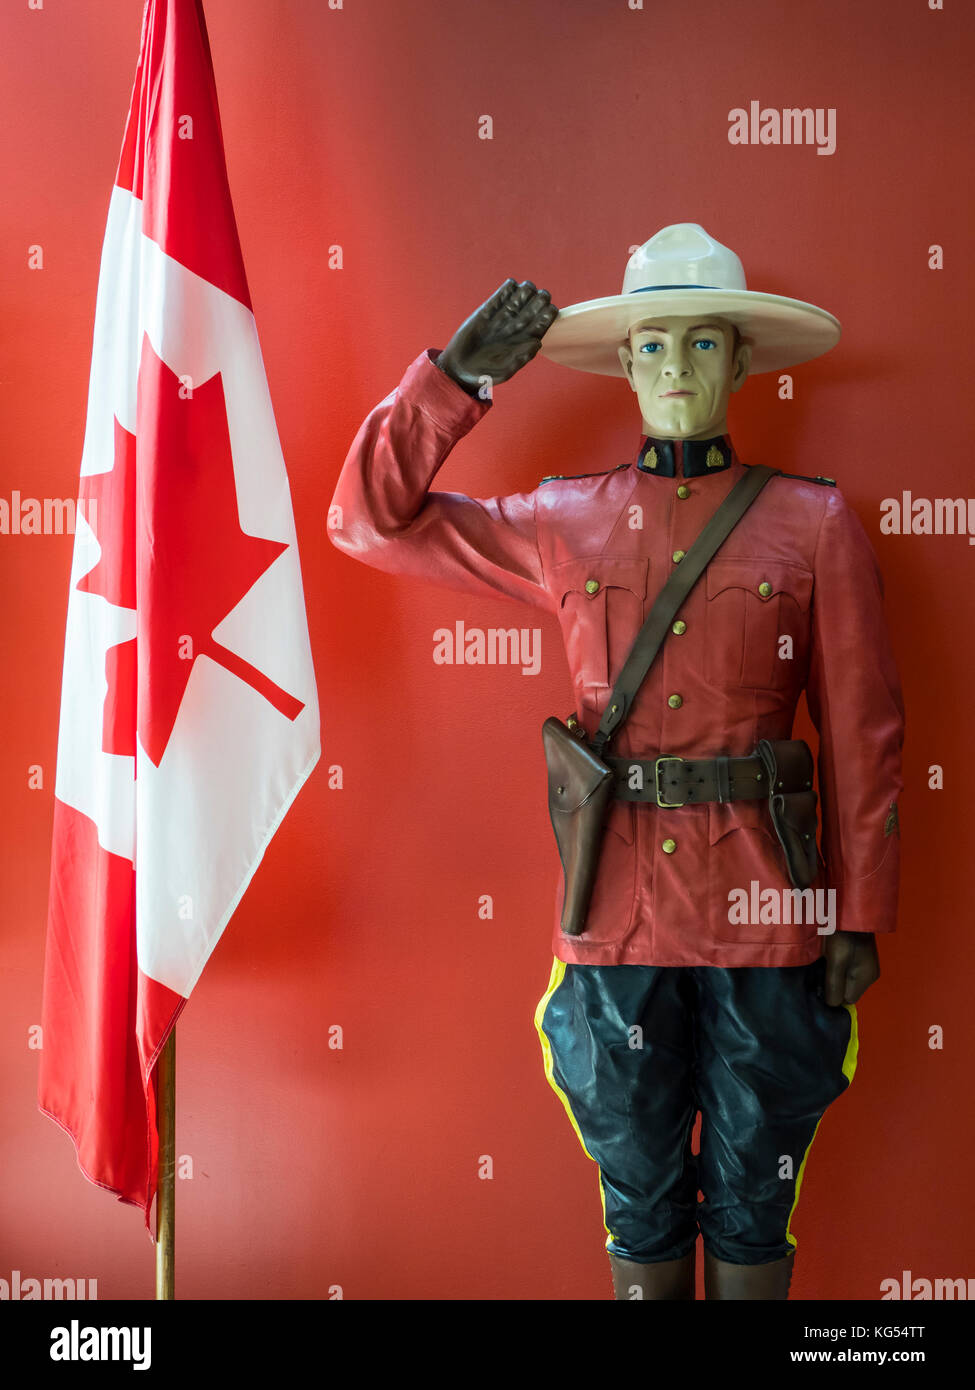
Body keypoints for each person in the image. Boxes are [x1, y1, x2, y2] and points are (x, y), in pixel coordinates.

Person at [328, 223, 905, 1299]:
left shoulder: (812, 522)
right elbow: (366, 519)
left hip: (769, 920)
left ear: (738, 361)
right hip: (614, 924)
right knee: (638, 1199)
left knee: (755, 1195)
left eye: (699, 344)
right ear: (627, 363)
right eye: (652, 346)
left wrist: (859, 913)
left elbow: (865, 732)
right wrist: (453, 383)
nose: (675, 368)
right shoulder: (566, 521)